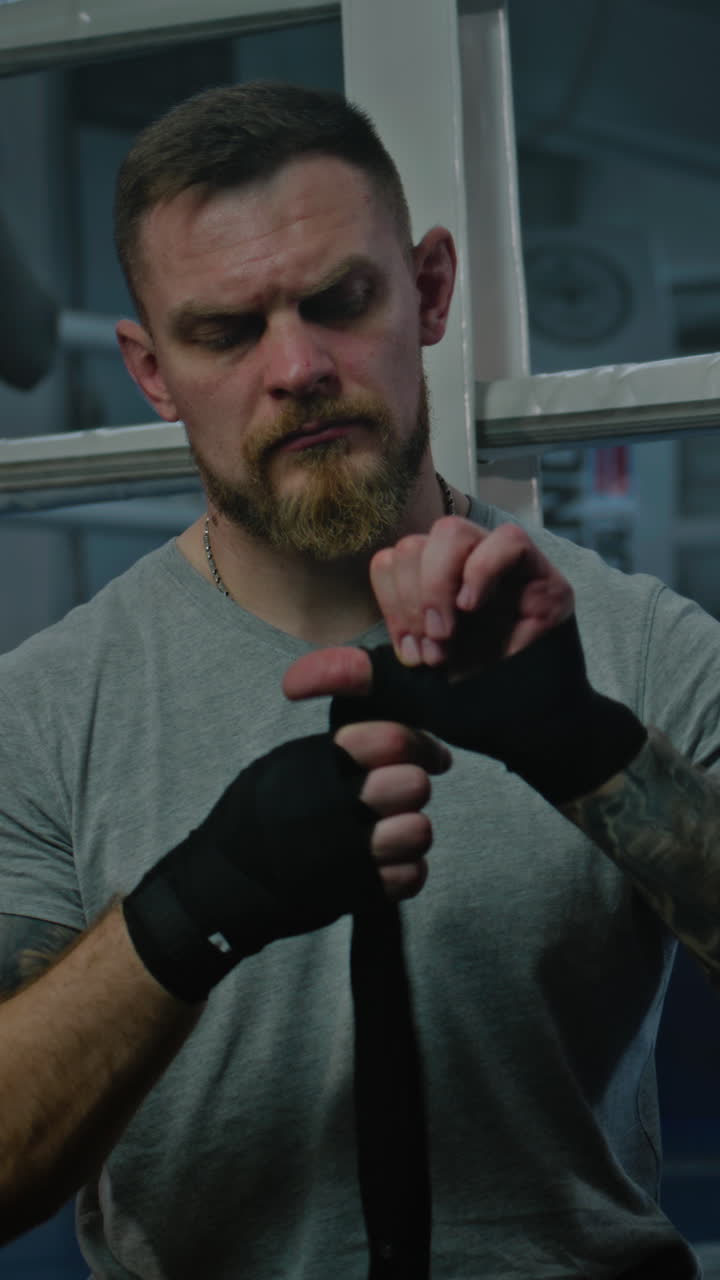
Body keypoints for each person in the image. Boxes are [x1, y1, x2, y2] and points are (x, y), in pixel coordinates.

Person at [0, 80, 718, 1279]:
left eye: (340, 301)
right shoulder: (44, 710)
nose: (296, 366)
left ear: (429, 290)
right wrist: (192, 906)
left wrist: (592, 749)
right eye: (225, 332)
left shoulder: (631, 642)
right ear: (152, 369)